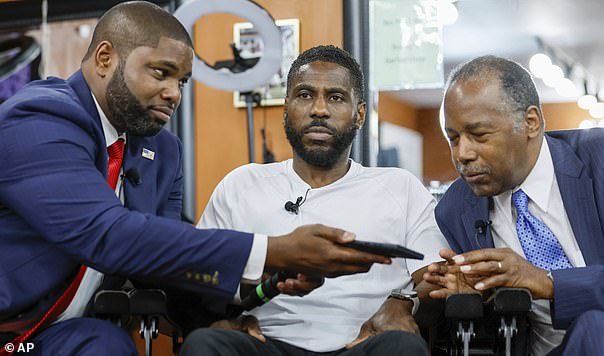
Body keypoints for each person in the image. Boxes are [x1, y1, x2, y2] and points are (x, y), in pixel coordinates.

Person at [0, 3, 392, 355]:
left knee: (107, 346)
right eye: (161, 73)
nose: (173, 93)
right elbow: (107, 233)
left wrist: (255, 286)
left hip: (54, 337)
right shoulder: (40, 119)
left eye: (183, 81)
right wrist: (270, 250)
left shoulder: (162, 152)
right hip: (8, 325)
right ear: (105, 58)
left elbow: (164, 261)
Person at [180, 45, 448, 356]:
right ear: (286, 107)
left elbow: (435, 279)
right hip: (264, 343)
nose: (319, 109)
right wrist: (223, 318)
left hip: (363, 343)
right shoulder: (241, 185)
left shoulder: (400, 187)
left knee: (403, 346)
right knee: (205, 342)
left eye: (335, 97)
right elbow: (196, 277)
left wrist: (404, 304)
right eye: (305, 95)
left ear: (359, 114)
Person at [424, 55, 604, 355]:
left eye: (479, 135)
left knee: (596, 328)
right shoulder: (455, 208)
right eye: (453, 139)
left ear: (530, 122)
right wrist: (477, 297)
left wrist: (550, 283)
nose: (463, 154)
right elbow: (494, 332)